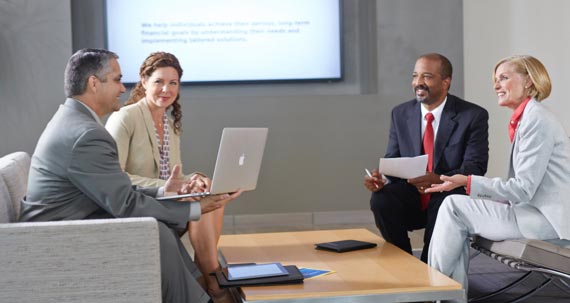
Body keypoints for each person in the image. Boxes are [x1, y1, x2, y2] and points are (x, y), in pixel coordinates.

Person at [19, 48, 241, 303]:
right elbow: (125, 202)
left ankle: (201, 289)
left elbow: (115, 186)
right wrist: (194, 209)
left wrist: (163, 191)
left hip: (71, 221)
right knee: (155, 232)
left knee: (159, 230)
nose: (122, 88)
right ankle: (204, 292)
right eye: (116, 79)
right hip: (55, 238)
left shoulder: (74, 121)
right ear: (93, 83)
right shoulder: (86, 134)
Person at [427, 55, 570, 301]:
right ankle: (446, 295)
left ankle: (439, 293)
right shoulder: (528, 118)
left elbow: (523, 189)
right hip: (533, 212)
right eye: (495, 79)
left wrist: (467, 181)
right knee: (455, 209)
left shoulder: (537, 120)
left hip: (546, 221)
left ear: (528, 82)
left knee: (453, 207)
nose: (496, 86)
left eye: (504, 78)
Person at [105, 52, 227, 300]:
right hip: (142, 202)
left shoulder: (170, 125)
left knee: (209, 189)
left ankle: (210, 276)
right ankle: (214, 277)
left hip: (168, 200)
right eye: (159, 81)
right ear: (144, 80)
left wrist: (195, 179)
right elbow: (113, 176)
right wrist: (169, 186)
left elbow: (175, 174)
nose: (166, 89)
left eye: (173, 83)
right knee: (199, 202)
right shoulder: (125, 117)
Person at [363, 53, 489, 262]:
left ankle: (429, 267)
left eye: (427, 76)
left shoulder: (472, 115)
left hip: (446, 195)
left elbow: (476, 167)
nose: (418, 83)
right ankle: (403, 262)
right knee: (382, 199)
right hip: (412, 195)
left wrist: (439, 179)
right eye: (415, 76)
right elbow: (393, 158)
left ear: (446, 82)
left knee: (444, 201)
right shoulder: (400, 113)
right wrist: (382, 180)